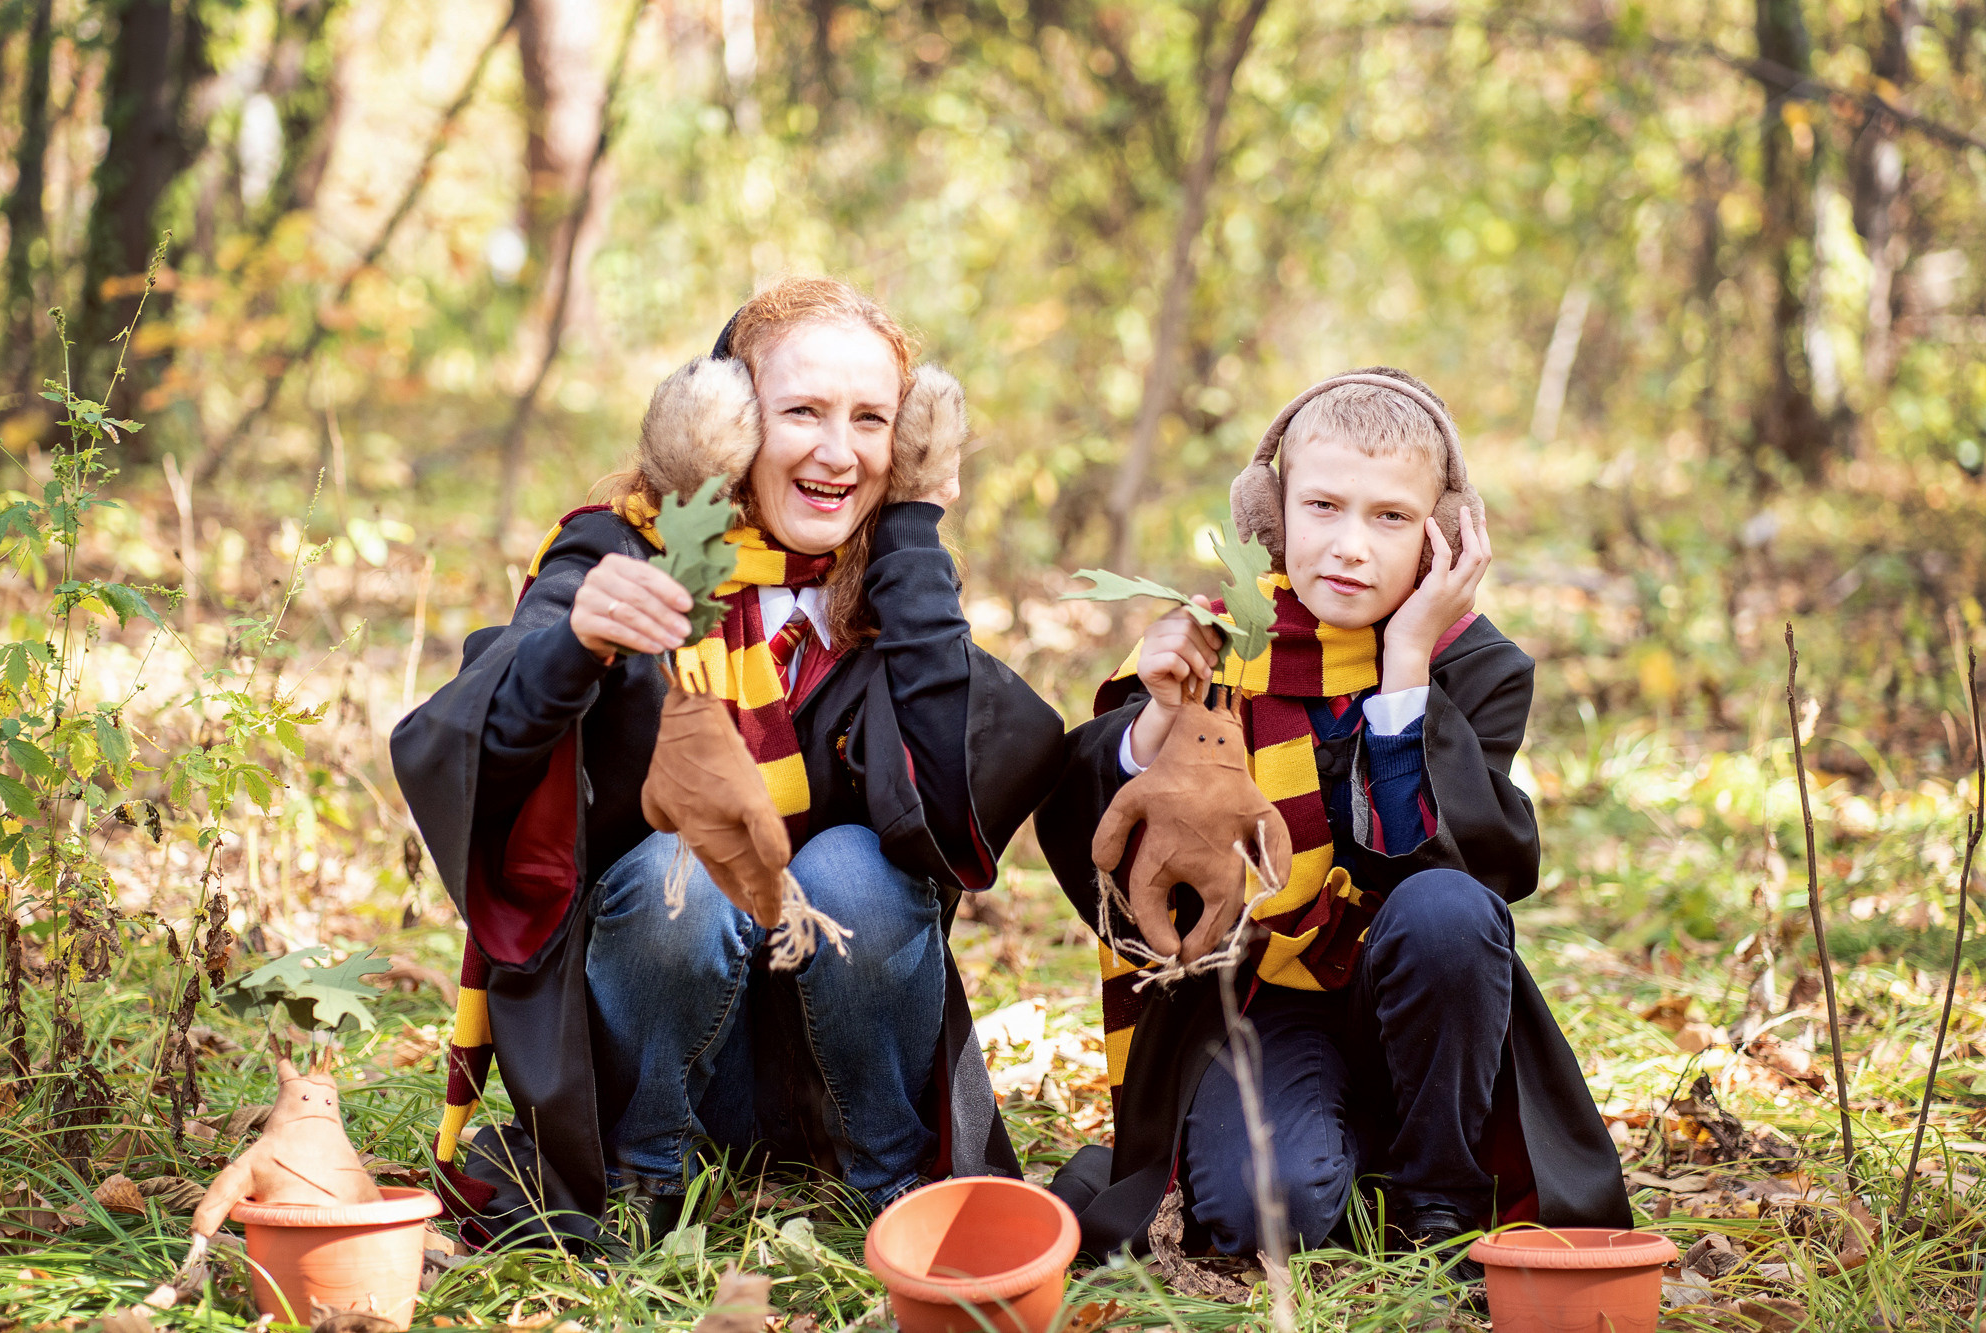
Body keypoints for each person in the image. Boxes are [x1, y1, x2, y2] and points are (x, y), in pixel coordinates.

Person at [391, 277, 1064, 1249]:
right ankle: (642, 1182)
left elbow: (960, 811)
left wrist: (915, 534)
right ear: (729, 420)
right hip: (654, 1039)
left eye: (871, 419)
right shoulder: (621, 552)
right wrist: (572, 645)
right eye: (803, 412)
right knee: (687, 864)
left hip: (829, 1064)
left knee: (854, 869)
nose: (839, 451)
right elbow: (466, 756)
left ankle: (891, 1181)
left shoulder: (894, 584)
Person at [1038, 369, 1630, 1269]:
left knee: (1448, 911)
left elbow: (1470, 873)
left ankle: (1437, 1195)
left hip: (1418, 994)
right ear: (1271, 515)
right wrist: (1158, 716)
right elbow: (1094, 839)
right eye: (1322, 506)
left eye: (1391, 516)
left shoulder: (1475, 666)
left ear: (1444, 532)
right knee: (1266, 1213)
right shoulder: (1217, 643)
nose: (1351, 546)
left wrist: (1405, 667)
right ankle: (1327, 1156)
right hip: (1255, 995)